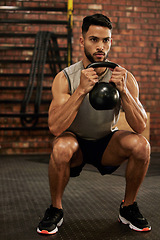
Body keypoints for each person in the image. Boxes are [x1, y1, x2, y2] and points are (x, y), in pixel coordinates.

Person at [37, 13, 151, 235]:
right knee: (60, 146)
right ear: (82, 41)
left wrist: (124, 91)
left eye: (106, 40)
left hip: (107, 143)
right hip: (75, 144)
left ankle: (128, 207)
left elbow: (139, 126)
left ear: (111, 41)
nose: (101, 46)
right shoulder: (66, 77)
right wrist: (80, 90)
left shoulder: (123, 76)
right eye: (94, 39)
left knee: (142, 146)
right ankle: (55, 209)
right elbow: (55, 128)